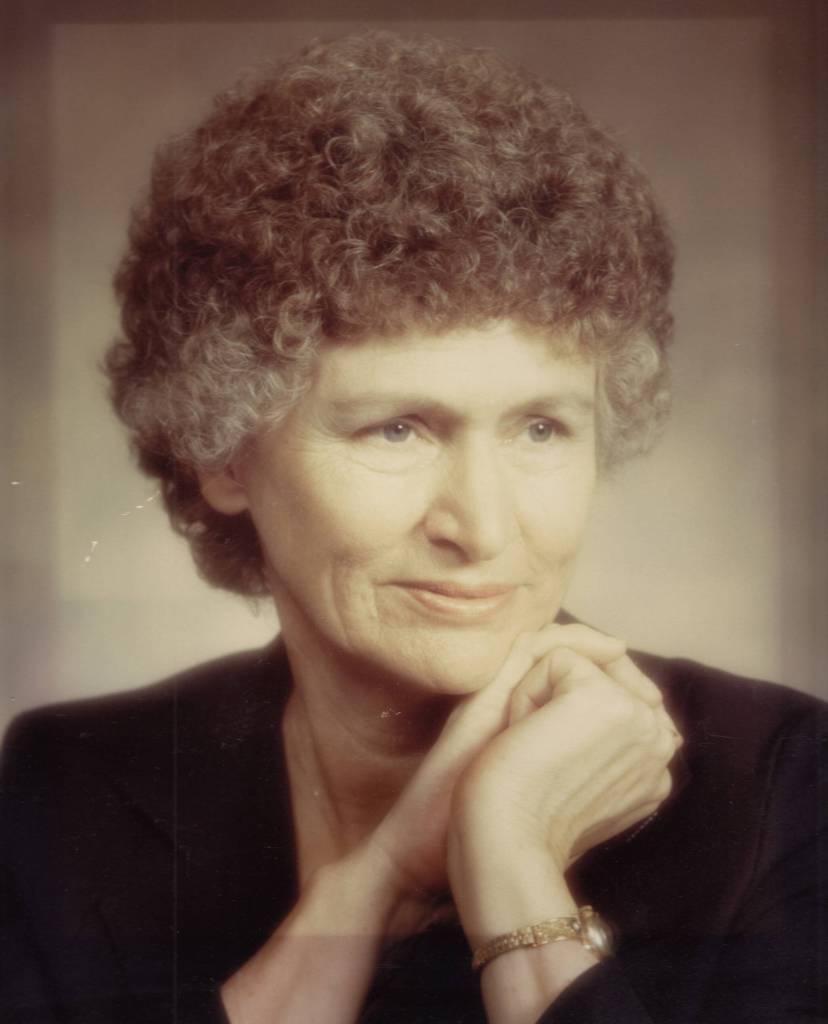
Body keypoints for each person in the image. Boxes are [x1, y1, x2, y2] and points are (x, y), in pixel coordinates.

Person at [0, 29, 824, 1024]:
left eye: (541, 427)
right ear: (222, 453)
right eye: (397, 428)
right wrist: (374, 883)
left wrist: (511, 863)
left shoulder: (778, 784)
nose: (482, 526)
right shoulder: (71, 783)